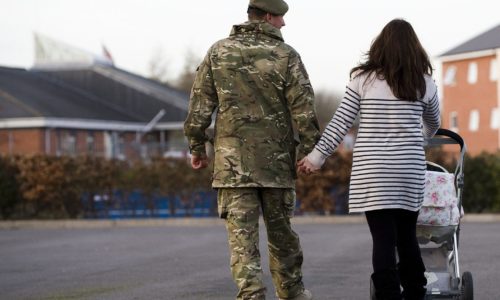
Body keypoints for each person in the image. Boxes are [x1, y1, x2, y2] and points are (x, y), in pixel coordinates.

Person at [184, 0, 320, 299]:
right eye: (282, 18)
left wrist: (197, 147)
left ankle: (252, 295)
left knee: (242, 242)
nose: (284, 25)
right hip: (276, 165)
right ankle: (293, 294)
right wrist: (310, 152)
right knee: (282, 236)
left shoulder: (218, 52)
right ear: (269, 17)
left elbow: (199, 107)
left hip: (232, 168)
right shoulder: (286, 56)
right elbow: (304, 109)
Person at [298, 19, 440, 300]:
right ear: (415, 49)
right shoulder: (424, 83)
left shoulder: (363, 81)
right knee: (407, 237)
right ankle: (416, 293)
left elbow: (340, 123)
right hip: (408, 171)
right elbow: (434, 123)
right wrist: (417, 137)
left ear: (380, 46)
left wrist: (317, 157)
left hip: (373, 172)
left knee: (383, 241)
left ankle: (388, 296)